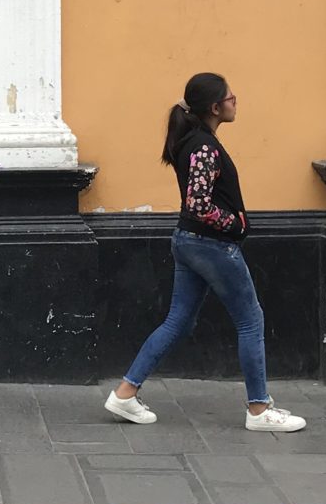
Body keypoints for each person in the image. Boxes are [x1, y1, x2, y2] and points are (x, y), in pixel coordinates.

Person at [104, 72, 305, 433]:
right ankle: (259, 410)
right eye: (230, 97)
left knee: (178, 320)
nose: (235, 100)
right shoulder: (203, 147)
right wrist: (234, 224)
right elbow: (198, 204)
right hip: (209, 245)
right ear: (214, 107)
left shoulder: (197, 141)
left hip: (190, 243)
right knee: (250, 320)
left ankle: (125, 393)